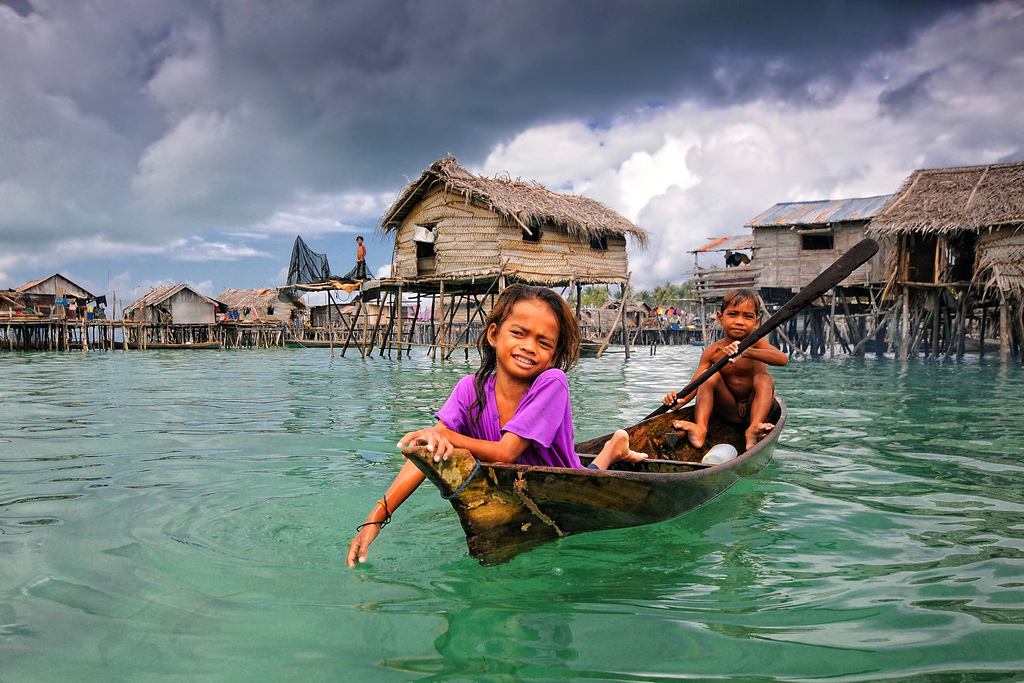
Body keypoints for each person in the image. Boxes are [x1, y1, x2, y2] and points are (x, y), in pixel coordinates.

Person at [347, 284, 647, 566]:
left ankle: (613, 447)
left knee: (591, 473)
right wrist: (376, 518)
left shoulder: (553, 382)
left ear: (554, 355)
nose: (529, 347)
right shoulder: (469, 389)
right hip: (520, 491)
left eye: (544, 343)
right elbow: (429, 454)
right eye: (519, 333)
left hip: (571, 485)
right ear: (493, 334)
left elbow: (506, 452)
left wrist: (445, 434)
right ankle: (615, 446)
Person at [662, 289, 788, 452]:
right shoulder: (713, 351)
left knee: (765, 378)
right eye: (733, 314)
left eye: (747, 316)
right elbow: (696, 383)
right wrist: (678, 400)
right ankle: (701, 428)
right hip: (728, 410)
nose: (740, 321)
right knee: (708, 376)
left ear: (756, 322)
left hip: (754, 409)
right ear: (720, 318)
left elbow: (782, 359)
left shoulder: (757, 344)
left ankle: (753, 430)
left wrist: (746, 352)